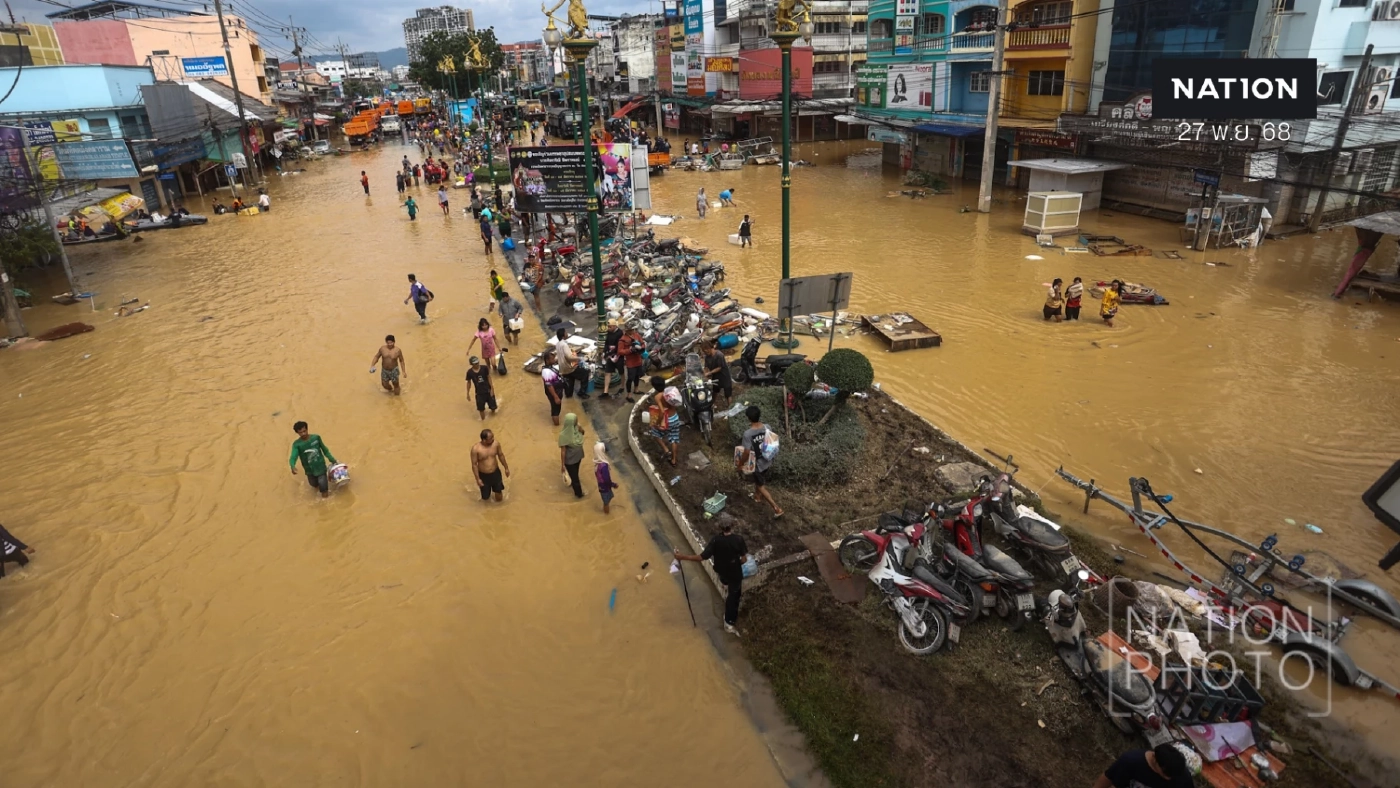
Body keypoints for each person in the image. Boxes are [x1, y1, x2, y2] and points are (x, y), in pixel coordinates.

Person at [673, 513, 749, 635]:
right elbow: (744, 559)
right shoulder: (738, 540)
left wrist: (682, 557)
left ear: (720, 527)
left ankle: (725, 584)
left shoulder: (715, 541)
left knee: (726, 581)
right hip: (734, 573)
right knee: (733, 597)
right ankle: (728, 622)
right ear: (732, 525)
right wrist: (736, 564)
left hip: (721, 572)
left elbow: (701, 557)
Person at [737, 405, 784, 519]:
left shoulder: (748, 434)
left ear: (748, 418)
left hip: (757, 464)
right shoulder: (767, 427)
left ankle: (776, 508)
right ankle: (757, 497)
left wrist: (740, 463)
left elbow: (747, 452)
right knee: (759, 479)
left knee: (760, 485)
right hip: (768, 460)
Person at [1092, 745, 1192, 788]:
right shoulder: (1131, 762)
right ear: (1155, 759)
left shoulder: (1180, 774)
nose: (1169, 778)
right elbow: (1108, 778)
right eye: (1165, 774)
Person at [289, 421, 338, 499]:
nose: (303, 434)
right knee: (314, 485)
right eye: (300, 432)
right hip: (309, 470)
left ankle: (325, 504)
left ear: (307, 429)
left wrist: (332, 460)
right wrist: (292, 465)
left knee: (323, 488)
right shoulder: (297, 444)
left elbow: (325, 450)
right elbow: (293, 456)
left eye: (304, 431)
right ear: (297, 433)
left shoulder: (316, 438)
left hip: (320, 467)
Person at [648, 375, 680, 467]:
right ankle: (674, 460)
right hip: (675, 417)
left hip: (667, 419)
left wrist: (657, 423)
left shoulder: (658, 397)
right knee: (674, 438)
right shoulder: (671, 392)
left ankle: (666, 450)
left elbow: (662, 412)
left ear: (654, 387)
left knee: (655, 433)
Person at [471, 428, 511, 503]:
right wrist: (478, 479)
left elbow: (501, 455)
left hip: (495, 473)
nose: (493, 439)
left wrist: (506, 468)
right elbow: (474, 465)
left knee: (499, 492)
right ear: (484, 440)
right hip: (484, 476)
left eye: (493, 437)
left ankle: (500, 509)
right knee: (485, 498)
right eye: (491, 438)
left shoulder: (496, 444)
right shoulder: (475, 449)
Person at [558, 413, 587, 499]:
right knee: (575, 479)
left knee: (575, 474)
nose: (576, 421)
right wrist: (563, 465)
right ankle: (579, 495)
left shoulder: (576, 428)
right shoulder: (563, 436)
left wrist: (580, 427)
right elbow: (563, 451)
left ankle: (573, 481)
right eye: (575, 420)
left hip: (578, 457)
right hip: (570, 460)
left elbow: (583, 433)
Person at [555, 328, 590, 399]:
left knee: (569, 381)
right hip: (569, 367)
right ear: (563, 335)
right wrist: (579, 358)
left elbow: (559, 356)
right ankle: (582, 392)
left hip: (562, 368)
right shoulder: (564, 345)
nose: (567, 334)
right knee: (585, 373)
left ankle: (568, 394)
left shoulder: (557, 344)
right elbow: (569, 357)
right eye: (566, 332)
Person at [618, 322, 647, 403]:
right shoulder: (622, 339)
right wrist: (630, 350)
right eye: (631, 330)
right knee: (630, 378)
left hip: (638, 360)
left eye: (633, 329)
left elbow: (642, 343)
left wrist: (642, 348)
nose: (633, 331)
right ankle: (629, 394)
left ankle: (636, 389)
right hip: (630, 362)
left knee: (637, 376)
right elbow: (620, 351)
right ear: (627, 330)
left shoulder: (636, 335)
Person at [465, 355, 498, 419]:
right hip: (479, 393)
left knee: (493, 407)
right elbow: (468, 382)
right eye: (475, 363)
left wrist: (492, 388)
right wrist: (468, 393)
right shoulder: (469, 372)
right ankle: (483, 421)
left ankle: (493, 419)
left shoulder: (484, 368)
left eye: (477, 363)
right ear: (471, 364)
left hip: (488, 390)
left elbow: (489, 377)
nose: (477, 364)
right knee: (481, 409)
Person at [702, 340, 733, 406]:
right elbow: (706, 367)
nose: (705, 353)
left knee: (728, 394)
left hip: (724, 376)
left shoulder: (719, 355)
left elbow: (719, 368)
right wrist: (705, 373)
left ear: (710, 348)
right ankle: (712, 404)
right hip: (715, 376)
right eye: (704, 352)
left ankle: (730, 408)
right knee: (715, 391)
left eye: (706, 351)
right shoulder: (707, 357)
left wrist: (709, 373)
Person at [600, 318, 623, 399]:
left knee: (621, 372)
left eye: (610, 327)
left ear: (614, 326)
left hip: (618, 355)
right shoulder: (608, 333)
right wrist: (605, 352)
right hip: (610, 355)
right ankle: (605, 391)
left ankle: (622, 386)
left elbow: (619, 346)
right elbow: (606, 343)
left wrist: (612, 350)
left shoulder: (620, 333)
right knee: (607, 372)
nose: (608, 328)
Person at [594, 441, 620, 514]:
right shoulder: (604, 466)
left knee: (606, 501)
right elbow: (606, 479)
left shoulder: (597, 463)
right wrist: (614, 485)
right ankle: (607, 514)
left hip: (601, 486)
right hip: (605, 487)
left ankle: (605, 510)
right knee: (606, 503)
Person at [541, 351, 565, 425]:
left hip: (558, 390)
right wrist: (555, 397)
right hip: (554, 392)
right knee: (555, 411)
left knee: (557, 408)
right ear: (547, 360)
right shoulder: (546, 372)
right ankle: (556, 427)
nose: (554, 360)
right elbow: (549, 385)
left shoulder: (552, 367)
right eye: (552, 359)